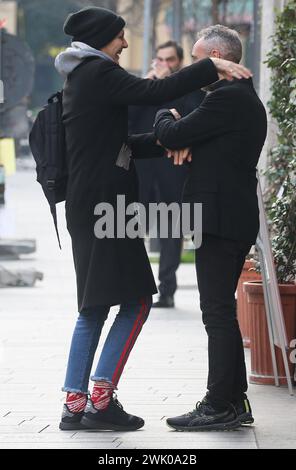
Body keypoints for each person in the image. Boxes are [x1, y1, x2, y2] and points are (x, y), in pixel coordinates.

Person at [54, 6, 252, 432]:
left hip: (92, 203)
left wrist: (168, 142)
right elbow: (152, 92)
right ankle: (99, 400)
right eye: (121, 36)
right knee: (136, 301)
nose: (125, 43)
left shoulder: (82, 76)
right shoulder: (96, 72)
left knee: (93, 305)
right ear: (103, 38)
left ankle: (76, 404)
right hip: (106, 207)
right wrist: (208, 67)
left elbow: (119, 143)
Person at [154, 25, 267, 431]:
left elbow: (172, 132)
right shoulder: (233, 98)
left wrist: (166, 112)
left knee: (216, 313)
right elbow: (186, 139)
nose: (196, 68)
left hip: (219, 220)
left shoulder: (228, 99)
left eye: (200, 59)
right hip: (227, 217)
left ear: (218, 58)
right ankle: (233, 402)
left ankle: (220, 403)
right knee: (221, 312)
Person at [129, 41, 206, 309]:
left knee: (171, 234)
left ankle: (167, 291)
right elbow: (127, 120)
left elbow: (193, 121)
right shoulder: (142, 87)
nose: (165, 65)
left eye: (170, 59)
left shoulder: (189, 89)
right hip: (142, 172)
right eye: (160, 59)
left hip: (172, 171)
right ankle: (136, 289)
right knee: (130, 230)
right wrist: (150, 84)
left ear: (180, 61)